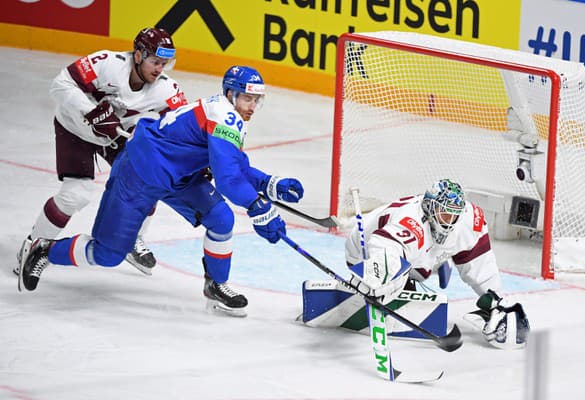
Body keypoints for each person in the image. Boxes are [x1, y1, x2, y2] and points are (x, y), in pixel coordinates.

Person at [19, 65, 304, 318]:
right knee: (107, 254)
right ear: (230, 94)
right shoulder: (223, 116)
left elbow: (233, 164)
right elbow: (228, 180)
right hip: (140, 172)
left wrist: (268, 183)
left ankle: (216, 285)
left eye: (256, 100)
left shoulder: (227, 114)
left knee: (222, 219)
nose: (252, 106)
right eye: (247, 98)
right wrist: (259, 208)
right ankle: (45, 249)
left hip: (178, 176)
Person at [15, 27, 187, 277]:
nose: (160, 69)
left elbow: (182, 127)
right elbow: (60, 84)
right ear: (138, 56)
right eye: (155, 62)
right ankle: (32, 247)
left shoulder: (166, 89)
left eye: (164, 63)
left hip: (115, 135)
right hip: (74, 128)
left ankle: (131, 239)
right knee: (75, 196)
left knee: (149, 182)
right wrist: (92, 112)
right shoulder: (107, 63)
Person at [301, 179, 530, 349]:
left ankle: (436, 261)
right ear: (430, 208)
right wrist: (377, 281)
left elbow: (480, 262)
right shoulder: (410, 223)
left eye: (454, 215)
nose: (450, 221)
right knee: (393, 279)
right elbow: (384, 247)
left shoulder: (468, 217)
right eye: (445, 215)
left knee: (432, 251)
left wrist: (495, 297)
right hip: (363, 251)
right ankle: (423, 268)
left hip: (419, 251)